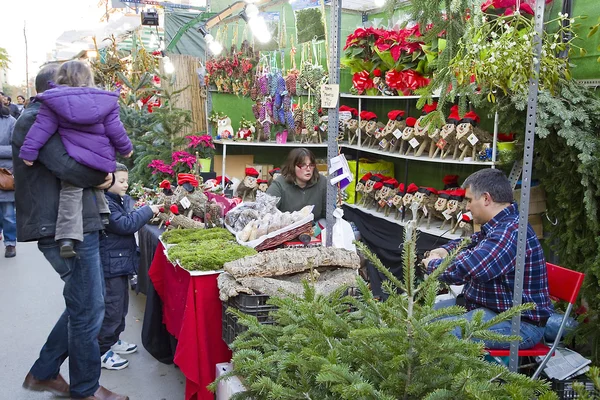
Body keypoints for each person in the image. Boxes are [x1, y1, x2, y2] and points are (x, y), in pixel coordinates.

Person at [13, 64, 129, 400]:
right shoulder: (36, 118)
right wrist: (105, 178)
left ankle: (44, 372)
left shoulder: (50, 117)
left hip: (77, 223)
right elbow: (67, 166)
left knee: (85, 305)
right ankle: (85, 390)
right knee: (89, 309)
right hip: (63, 228)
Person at [422, 168, 553, 349]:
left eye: (469, 200)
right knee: (423, 317)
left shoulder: (509, 232)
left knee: (437, 332)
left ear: (486, 198)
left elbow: (470, 268)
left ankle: (458, 377)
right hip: (485, 310)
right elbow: (469, 242)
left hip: (518, 325)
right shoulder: (498, 226)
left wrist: (432, 264)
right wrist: (444, 250)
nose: (466, 206)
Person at [18, 60, 133, 258]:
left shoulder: (53, 101)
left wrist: (29, 152)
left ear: (59, 79)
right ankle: (103, 214)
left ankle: (67, 237)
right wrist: (126, 149)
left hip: (76, 156)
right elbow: (116, 129)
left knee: (71, 191)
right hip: (102, 159)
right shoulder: (105, 101)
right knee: (98, 180)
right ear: (89, 79)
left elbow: (42, 128)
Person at [99, 163, 162, 370]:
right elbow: (125, 224)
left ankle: (114, 339)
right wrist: (147, 210)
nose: (126, 185)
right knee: (112, 307)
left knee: (121, 305)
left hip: (119, 261)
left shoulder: (117, 199)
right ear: (107, 181)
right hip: (111, 263)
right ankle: (102, 350)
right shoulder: (105, 203)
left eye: (127, 180)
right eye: (122, 181)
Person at [266, 147, 327, 220]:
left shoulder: (322, 182)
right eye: (302, 165)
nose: (308, 169)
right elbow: (265, 212)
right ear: (292, 166)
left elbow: (328, 214)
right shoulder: (279, 184)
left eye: (311, 165)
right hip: (286, 228)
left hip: (315, 227)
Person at [0, 102, 17, 257]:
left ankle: (10, 243)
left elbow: (16, 147)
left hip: (5, 173)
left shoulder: (10, 120)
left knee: (8, 214)